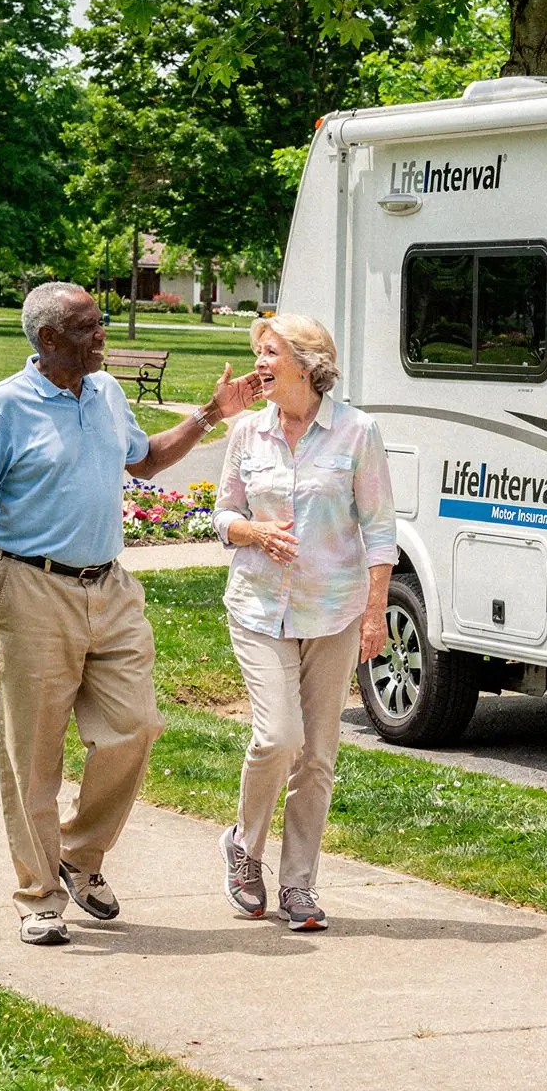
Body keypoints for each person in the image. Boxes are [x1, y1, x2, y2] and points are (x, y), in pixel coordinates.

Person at [0, 281, 261, 946]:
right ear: (50, 339)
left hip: (110, 588)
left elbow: (146, 460)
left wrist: (211, 413)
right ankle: (38, 896)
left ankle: (79, 855)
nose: (104, 337)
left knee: (135, 726)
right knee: (31, 756)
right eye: (92, 328)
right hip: (32, 589)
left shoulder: (106, 392)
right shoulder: (7, 407)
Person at [214, 314, 397, 932]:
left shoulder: (356, 431)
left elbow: (378, 528)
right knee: (278, 737)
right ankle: (245, 847)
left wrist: (375, 612)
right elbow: (223, 514)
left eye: (268, 353)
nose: (257, 364)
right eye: (257, 353)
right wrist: (251, 531)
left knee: (317, 755)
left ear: (305, 362)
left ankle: (297, 886)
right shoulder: (247, 432)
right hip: (260, 608)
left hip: (333, 610)